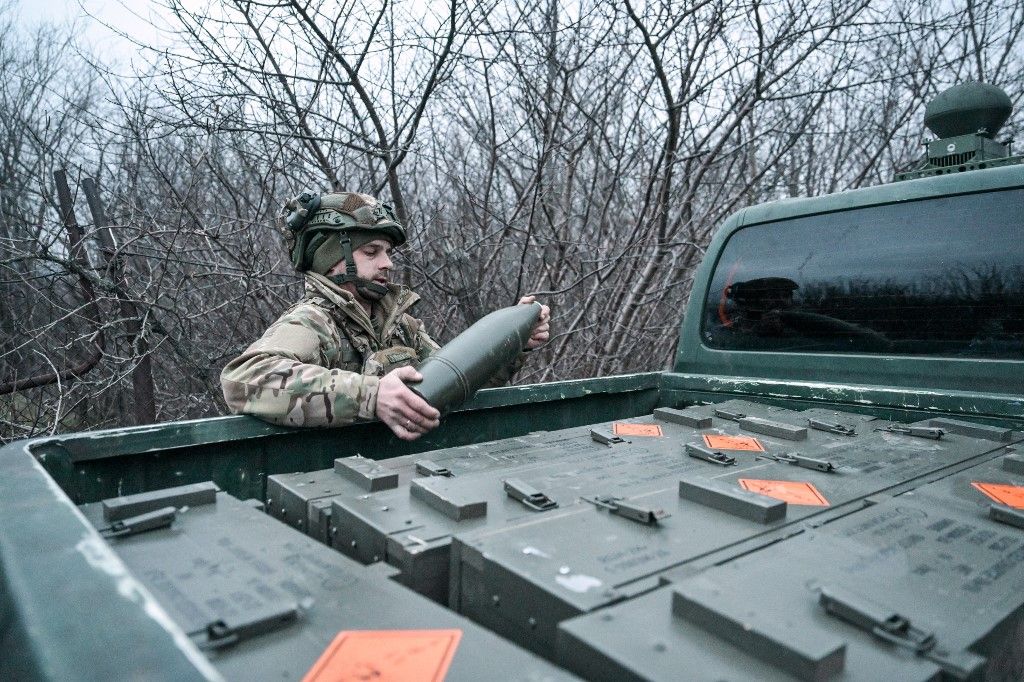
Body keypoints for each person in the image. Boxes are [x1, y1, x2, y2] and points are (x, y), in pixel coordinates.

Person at [220, 191, 550, 440]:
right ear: (333, 260)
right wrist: (372, 395)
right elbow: (243, 379)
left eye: (387, 253)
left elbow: (452, 388)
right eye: (371, 252)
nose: (387, 263)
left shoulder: (400, 325)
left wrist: (515, 344)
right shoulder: (314, 321)